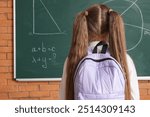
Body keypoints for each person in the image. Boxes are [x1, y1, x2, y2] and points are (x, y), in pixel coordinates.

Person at [60, 4, 140, 100]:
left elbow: (63, 98)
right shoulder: (124, 59)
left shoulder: (73, 59)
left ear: (85, 27)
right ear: (111, 27)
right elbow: (134, 99)